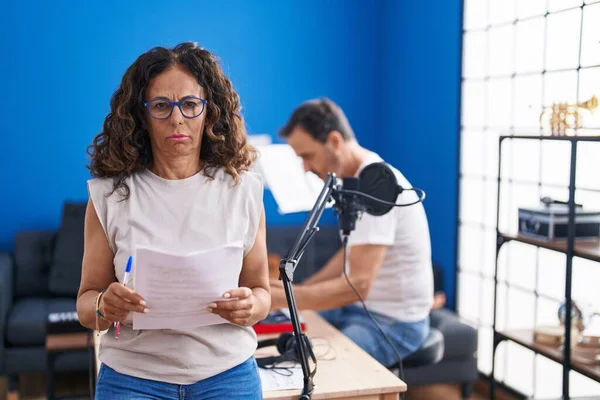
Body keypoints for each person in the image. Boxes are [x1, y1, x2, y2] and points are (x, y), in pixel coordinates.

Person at [76, 42, 270, 399]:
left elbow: (262, 292)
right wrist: (105, 304)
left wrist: (250, 306)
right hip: (133, 378)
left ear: (209, 112)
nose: (177, 119)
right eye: (162, 106)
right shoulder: (108, 196)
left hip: (227, 375)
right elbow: (86, 306)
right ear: (141, 115)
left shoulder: (244, 191)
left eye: (190, 104)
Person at [269, 98, 434, 367]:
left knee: (319, 368)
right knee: (286, 340)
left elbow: (358, 285)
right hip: (358, 310)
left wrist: (286, 296)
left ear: (334, 141)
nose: (305, 168)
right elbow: (351, 255)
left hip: (394, 322)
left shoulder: (375, 186)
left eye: (307, 156)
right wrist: (301, 290)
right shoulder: (355, 179)